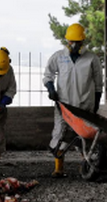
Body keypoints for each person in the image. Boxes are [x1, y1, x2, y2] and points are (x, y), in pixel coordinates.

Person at [43, 23, 103, 177]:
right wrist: (51, 89)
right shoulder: (58, 57)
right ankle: (58, 168)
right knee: (59, 134)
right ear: (67, 41)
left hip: (85, 106)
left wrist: (96, 103)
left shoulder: (92, 59)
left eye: (78, 42)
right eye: (72, 41)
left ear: (83, 42)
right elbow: (48, 75)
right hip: (63, 105)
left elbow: (98, 83)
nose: (75, 45)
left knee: (85, 137)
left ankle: (86, 164)